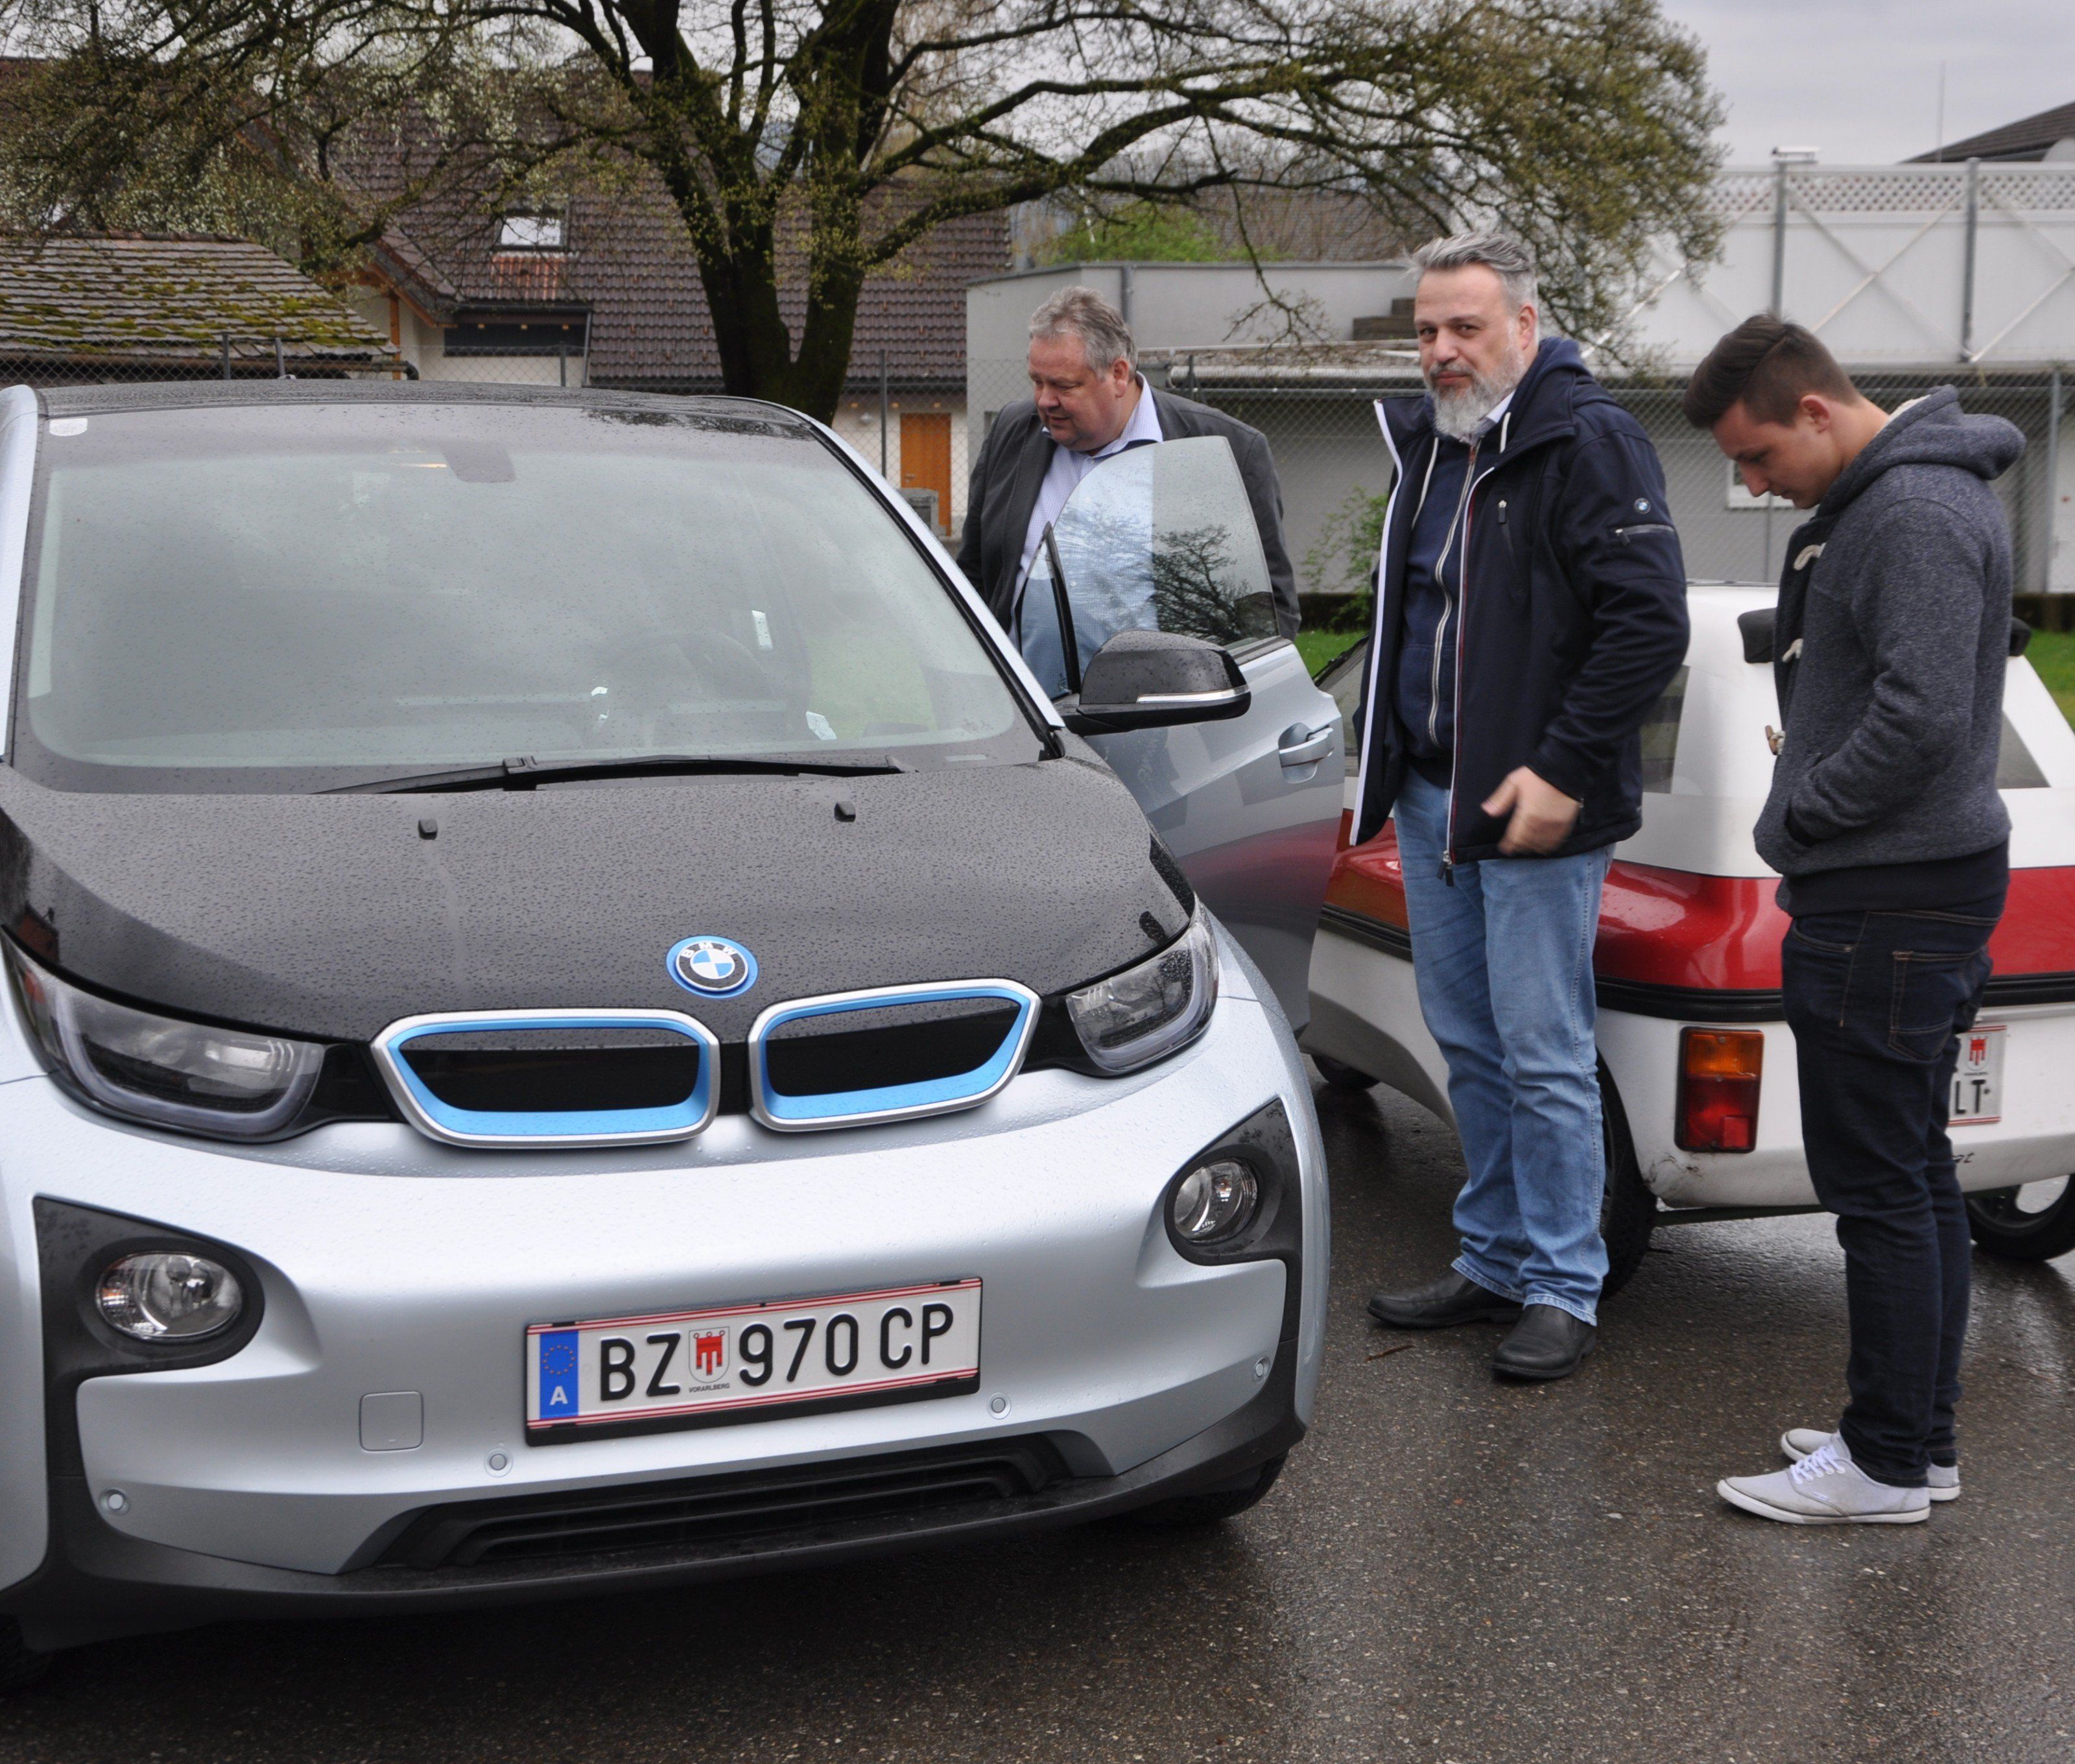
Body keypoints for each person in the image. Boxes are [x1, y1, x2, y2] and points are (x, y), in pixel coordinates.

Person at [1687, 318, 2024, 1525]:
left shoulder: (1912, 514)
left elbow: (1925, 717)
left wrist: (1799, 816)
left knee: (1878, 1186)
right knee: (1914, 1174)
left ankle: (1882, 1462)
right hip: (1911, 880)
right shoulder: (1896, 504)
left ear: (1817, 412)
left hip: (1889, 888)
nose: (1753, 484)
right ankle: (1914, 1440)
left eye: (1760, 457)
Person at [1358, 232, 1689, 1381]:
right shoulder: (1438, 447)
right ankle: (1493, 1258)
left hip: (1533, 808)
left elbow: (1649, 624)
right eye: (1428, 331)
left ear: (1525, 328)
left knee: (1545, 1052)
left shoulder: (1585, 439)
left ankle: (1563, 1284)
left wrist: (1558, 767)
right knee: (1469, 1045)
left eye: (1466, 328)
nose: (1443, 351)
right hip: (1432, 799)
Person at [956, 285, 1299, 642]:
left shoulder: (1225, 450)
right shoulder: (1013, 432)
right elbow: (973, 576)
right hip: (1022, 695)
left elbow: (1270, 614)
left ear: (1119, 374)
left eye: (1063, 385)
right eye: (1037, 381)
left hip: (1165, 693)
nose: (1045, 400)